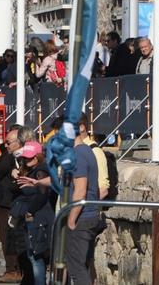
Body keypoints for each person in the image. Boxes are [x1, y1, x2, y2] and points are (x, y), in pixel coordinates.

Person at [65, 115, 104, 285]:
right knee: (84, 266)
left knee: (76, 268)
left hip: (82, 218)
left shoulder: (78, 154)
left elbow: (80, 190)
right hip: (89, 216)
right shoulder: (86, 151)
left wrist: (71, 220)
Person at [12, 141, 55, 284]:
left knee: (36, 257)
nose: (27, 160)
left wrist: (30, 211)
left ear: (38, 156)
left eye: (31, 157)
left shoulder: (41, 171)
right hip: (35, 219)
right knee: (34, 256)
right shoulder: (33, 171)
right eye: (26, 157)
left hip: (39, 219)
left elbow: (42, 194)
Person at [0, 126, 28, 283]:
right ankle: (15, 269)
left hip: (9, 202)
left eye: (8, 142)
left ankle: (13, 270)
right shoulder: (11, 156)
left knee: (8, 237)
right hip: (8, 201)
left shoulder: (11, 157)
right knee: (9, 237)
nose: (5, 146)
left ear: (18, 142)